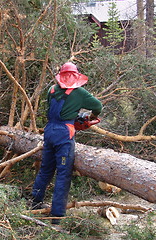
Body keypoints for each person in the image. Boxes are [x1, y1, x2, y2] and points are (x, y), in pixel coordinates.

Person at [31, 62, 102, 224]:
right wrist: (92, 116)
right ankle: (57, 216)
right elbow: (98, 106)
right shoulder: (79, 92)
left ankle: (34, 203)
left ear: (61, 75)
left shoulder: (52, 90)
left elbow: (54, 111)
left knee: (45, 170)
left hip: (49, 131)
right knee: (63, 174)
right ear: (75, 76)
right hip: (64, 134)